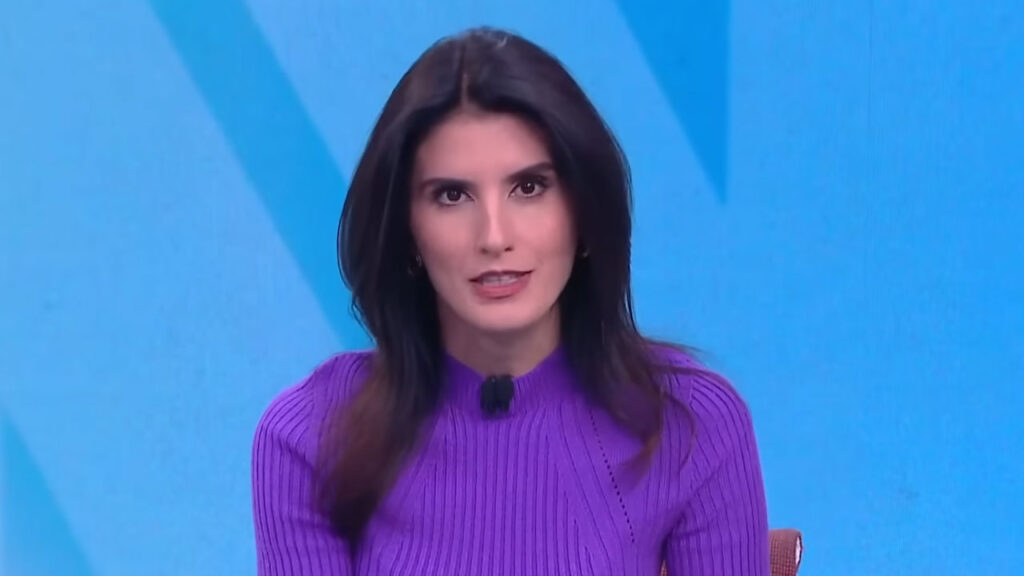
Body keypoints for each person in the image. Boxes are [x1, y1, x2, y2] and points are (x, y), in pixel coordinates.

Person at [252, 27, 769, 575]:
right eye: (452, 195)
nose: (494, 236)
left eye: (529, 188)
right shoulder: (308, 437)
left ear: (584, 212)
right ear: (407, 231)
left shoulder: (692, 424)